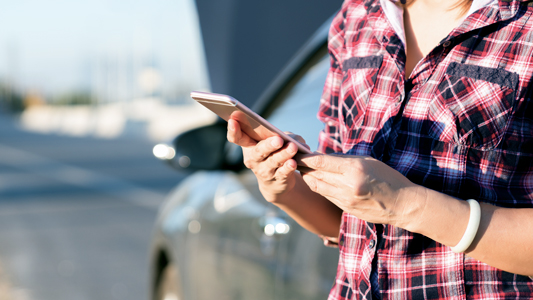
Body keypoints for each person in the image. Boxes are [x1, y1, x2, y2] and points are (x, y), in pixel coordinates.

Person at [227, 0, 533, 298]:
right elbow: (347, 221)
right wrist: (284, 186)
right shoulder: (357, 14)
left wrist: (408, 204)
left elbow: (393, 204)